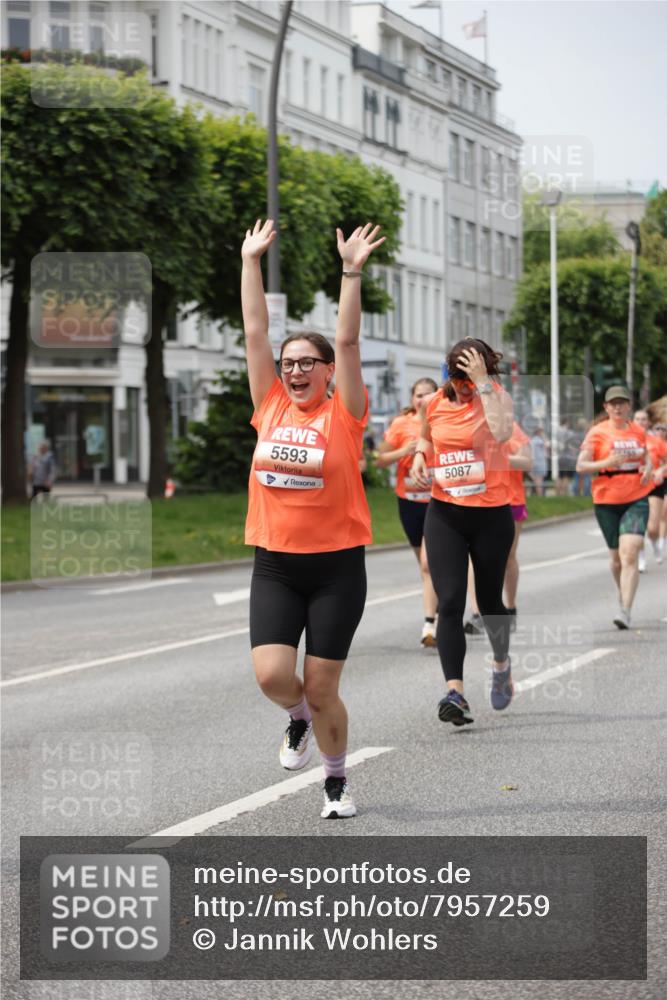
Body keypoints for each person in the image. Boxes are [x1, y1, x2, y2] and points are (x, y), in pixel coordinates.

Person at [241, 218, 385, 819]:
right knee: (274, 678)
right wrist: (250, 261)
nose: (295, 372)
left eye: (307, 363)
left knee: (324, 686)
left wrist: (351, 272)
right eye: (289, 364)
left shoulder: (344, 415)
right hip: (276, 564)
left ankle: (335, 782)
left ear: (328, 371)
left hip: (336, 569)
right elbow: (255, 331)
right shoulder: (270, 405)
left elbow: (347, 341)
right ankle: (296, 718)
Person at [411, 338, 514, 726]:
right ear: (449, 376)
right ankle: (455, 692)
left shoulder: (496, 396)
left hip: (491, 515)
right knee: (451, 601)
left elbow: (502, 433)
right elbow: (426, 437)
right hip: (445, 513)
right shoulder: (435, 402)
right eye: (459, 380)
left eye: (470, 380)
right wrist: (419, 456)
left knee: (489, 602)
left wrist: (483, 382)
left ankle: (501, 663)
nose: (465, 388)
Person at [576, 386, 653, 629]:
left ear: (629, 406)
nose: (618, 407)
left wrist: (648, 469)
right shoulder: (597, 433)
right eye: (613, 403)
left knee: (630, 552)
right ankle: (623, 595)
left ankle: (625, 610)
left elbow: (646, 456)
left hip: (636, 497)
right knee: (617, 559)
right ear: (606, 407)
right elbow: (581, 466)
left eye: (622, 403)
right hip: (606, 500)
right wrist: (606, 462)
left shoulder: (638, 431)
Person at [375, 378, 439, 647]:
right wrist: (404, 451)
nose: (423, 399)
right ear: (412, 398)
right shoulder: (401, 424)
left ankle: (429, 625)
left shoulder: (443, 419)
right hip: (409, 502)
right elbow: (379, 460)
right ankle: (437, 604)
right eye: (418, 395)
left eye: (428, 394)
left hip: (437, 503)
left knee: (428, 563)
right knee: (425, 566)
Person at [463, 420, 532, 636]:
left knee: (508, 556)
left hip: (510, 499)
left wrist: (500, 458)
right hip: (478, 498)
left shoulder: (511, 428)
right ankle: (478, 614)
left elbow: (527, 462)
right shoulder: (469, 425)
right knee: (474, 556)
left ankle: (510, 609)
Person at [633, 411, 667, 570]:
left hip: (653, 485)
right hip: (634, 486)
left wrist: (660, 470)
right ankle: (641, 558)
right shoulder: (628, 441)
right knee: (638, 526)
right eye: (638, 419)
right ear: (633, 421)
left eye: (644, 419)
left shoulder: (656, 441)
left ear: (648, 423)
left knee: (652, 528)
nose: (641, 422)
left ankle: (655, 545)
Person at [528, 427, 548, 496]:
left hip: (534, 462)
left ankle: (536, 494)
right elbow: (547, 444)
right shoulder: (539, 440)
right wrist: (544, 437)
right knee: (539, 480)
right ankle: (540, 495)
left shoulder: (532, 440)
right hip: (539, 463)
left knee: (535, 479)